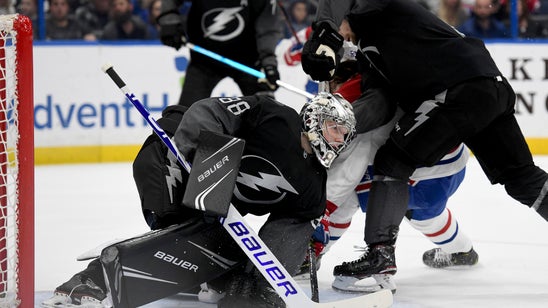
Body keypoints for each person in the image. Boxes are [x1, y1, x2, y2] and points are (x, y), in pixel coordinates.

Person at [300, 0, 548, 293]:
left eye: (343, 32)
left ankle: (380, 255)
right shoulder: (371, 53)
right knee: (521, 179)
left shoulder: (381, 10)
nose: (346, 40)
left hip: (457, 91)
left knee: (392, 162)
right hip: (489, 87)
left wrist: (324, 32)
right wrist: (344, 122)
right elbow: (380, 102)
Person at [41, 93, 357, 307]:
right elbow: (210, 111)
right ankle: (90, 282)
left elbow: (290, 229)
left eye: (345, 135)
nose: (339, 140)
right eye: (335, 128)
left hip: (207, 196)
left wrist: (261, 284)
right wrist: (197, 164)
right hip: (169, 158)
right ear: (314, 119)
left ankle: (220, 279)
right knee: (189, 233)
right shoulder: (277, 118)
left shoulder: (312, 183)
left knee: (223, 242)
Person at [294, 39, 477, 293]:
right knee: (425, 212)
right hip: (452, 167)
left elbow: (347, 172)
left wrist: (318, 213)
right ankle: (461, 251)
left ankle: (311, 259)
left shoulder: (350, 101)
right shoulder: (389, 66)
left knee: (346, 197)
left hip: (412, 173)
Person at [157, 0, 283, 106]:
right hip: (204, 59)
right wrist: (169, 21)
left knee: (267, 112)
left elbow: (268, 30)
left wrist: (269, 64)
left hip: (248, 61)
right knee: (184, 112)